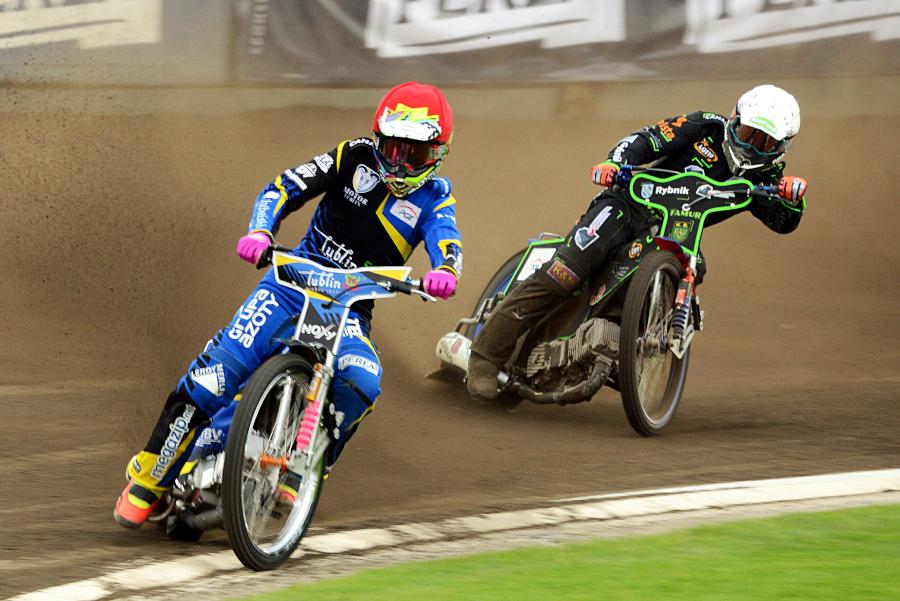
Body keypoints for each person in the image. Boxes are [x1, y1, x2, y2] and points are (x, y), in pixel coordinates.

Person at [115, 82, 463, 527]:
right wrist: (261, 231)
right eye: (393, 149)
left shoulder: (437, 197)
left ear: (439, 153)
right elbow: (284, 186)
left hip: (349, 309)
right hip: (288, 286)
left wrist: (446, 270)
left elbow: (447, 240)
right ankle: (149, 478)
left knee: (362, 381)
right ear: (377, 138)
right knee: (213, 376)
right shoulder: (352, 156)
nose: (400, 163)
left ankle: (305, 470)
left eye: (415, 154)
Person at [466, 84, 807, 400]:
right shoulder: (704, 126)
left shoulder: (769, 179)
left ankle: (627, 340)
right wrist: (615, 163)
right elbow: (647, 138)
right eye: (748, 134)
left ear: (782, 147)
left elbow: (783, 221)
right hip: (626, 206)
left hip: (676, 230)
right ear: (734, 120)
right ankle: (484, 357)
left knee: (696, 265)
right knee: (567, 271)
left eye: (764, 143)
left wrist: (793, 200)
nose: (751, 146)